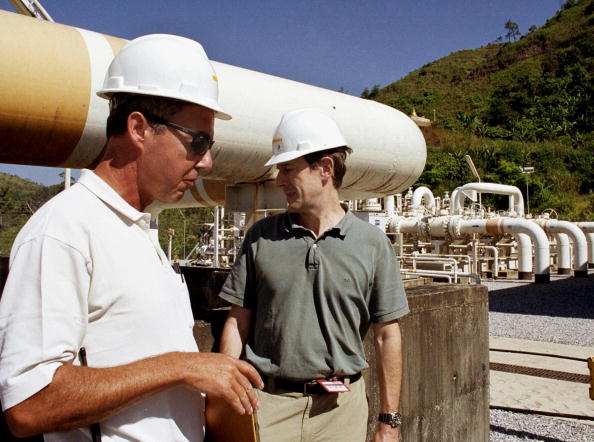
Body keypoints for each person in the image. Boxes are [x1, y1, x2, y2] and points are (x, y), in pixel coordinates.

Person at [0, 34, 262, 441]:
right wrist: (183, 365)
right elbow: (29, 404)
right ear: (139, 127)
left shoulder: (138, 231)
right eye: (198, 142)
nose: (207, 161)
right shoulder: (64, 229)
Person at [219, 108, 409, 441]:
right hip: (267, 405)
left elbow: (387, 336)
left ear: (325, 169)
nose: (278, 180)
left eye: (288, 169)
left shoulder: (373, 244)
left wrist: (388, 422)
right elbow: (237, 321)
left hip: (342, 413)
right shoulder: (260, 236)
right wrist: (222, 395)